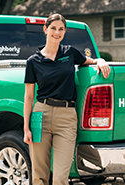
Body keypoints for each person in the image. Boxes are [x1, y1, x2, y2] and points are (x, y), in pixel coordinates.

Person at [23, 13, 111, 185]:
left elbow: (90, 61)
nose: (57, 32)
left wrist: (100, 60)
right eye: (53, 28)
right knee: (39, 175)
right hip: (41, 114)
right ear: (45, 29)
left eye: (61, 29)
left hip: (67, 117)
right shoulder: (33, 61)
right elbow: (29, 96)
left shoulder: (70, 52)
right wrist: (26, 128)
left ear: (64, 31)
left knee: (61, 177)